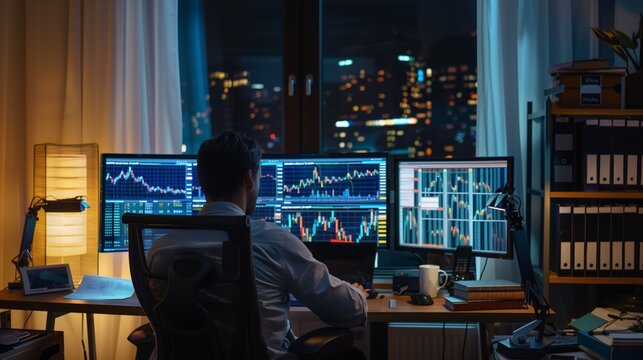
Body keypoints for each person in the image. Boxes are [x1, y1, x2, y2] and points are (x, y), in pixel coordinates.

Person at [148, 131, 367, 359]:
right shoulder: (275, 242)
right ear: (248, 179)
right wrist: (357, 294)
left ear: (202, 180)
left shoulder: (160, 249)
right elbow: (349, 311)